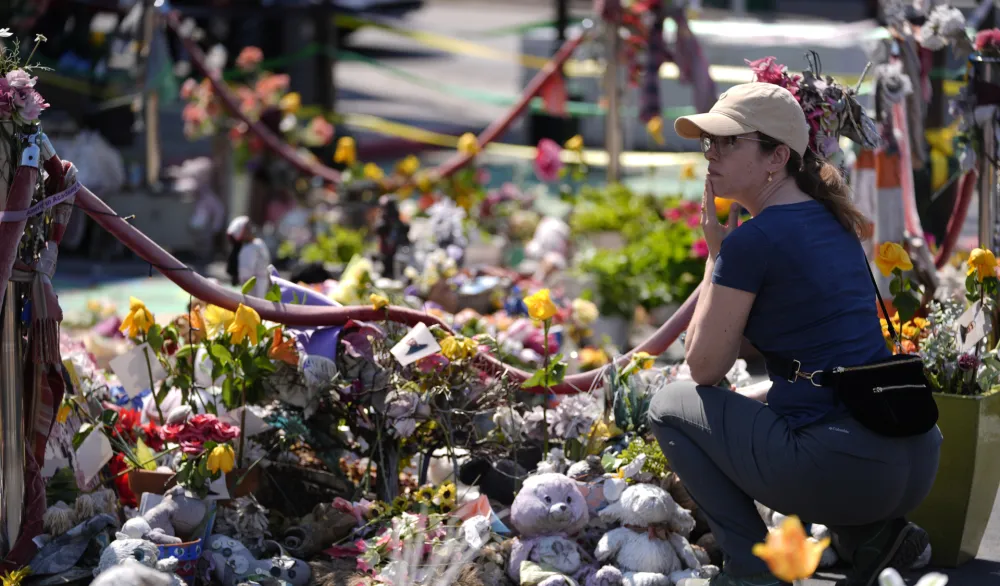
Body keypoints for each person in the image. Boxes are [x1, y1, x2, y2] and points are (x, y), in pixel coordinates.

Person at [647, 82, 941, 586]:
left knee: (669, 406)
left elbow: (703, 367)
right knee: (769, 393)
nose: (711, 154)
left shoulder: (752, 242)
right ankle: (867, 539)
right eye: (707, 142)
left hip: (842, 465)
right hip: (912, 452)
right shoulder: (836, 220)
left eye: (728, 141)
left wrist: (716, 258)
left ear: (776, 156)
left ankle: (751, 568)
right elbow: (780, 339)